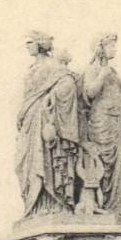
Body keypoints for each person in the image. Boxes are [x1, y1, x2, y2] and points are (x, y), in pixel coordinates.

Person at [16, 31, 83, 216]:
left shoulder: (52, 66)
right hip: (30, 122)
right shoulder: (32, 68)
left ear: (40, 44)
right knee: (26, 163)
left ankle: (53, 204)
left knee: (46, 161)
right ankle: (34, 207)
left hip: (44, 119)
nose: (27, 46)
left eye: (30, 42)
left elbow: (68, 84)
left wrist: (50, 100)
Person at [78, 33, 121, 216]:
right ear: (100, 49)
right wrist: (103, 74)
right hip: (101, 124)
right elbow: (90, 92)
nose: (114, 49)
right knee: (102, 166)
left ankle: (113, 209)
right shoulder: (93, 69)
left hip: (116, 124)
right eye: (111, 46)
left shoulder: (114, 72)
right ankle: (101, 208)